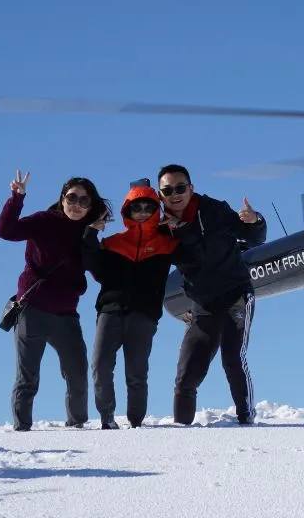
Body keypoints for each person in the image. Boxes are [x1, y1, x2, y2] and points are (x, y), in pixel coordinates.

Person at [0, 170, 107, 431]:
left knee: (77, 375)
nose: (77, 205)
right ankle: (22, 430)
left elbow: (100, 273)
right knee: (27, 378)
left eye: (84, 201)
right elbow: (5, 231)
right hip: (32, 310)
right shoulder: (44, 220)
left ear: (91, 206)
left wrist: (91, 237)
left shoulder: (86, 233)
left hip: (67, 316)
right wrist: (17, 198)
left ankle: (77, 426)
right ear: (62, 198)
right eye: (72, 198)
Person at [157, 164, 267, 425]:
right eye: (168, 190)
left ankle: (247, 420)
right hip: (203, 305)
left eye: (180, 187)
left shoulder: (214, 210)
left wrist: (256, 221)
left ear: (191, 188)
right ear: (160, 195)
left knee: (232, 359)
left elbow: (253, 238)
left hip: (235, 296)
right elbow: (185, 256)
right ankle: (181, 429)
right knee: (186, 375)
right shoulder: (162, 227)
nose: (175, 194)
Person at [81, 180, 182, 429]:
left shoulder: (166, 243)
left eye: (149, 207)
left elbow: (194, 258)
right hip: (110, 310)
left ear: (157, 211)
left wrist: (179, 229)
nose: (143, 212)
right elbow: (92, 264)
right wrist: (91, 231)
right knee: (100, 365)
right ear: (128, 210)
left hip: (144, 314)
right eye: (137, 207)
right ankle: (107, 418)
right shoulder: (113, 243)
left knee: (137, 372)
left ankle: (136, 423)